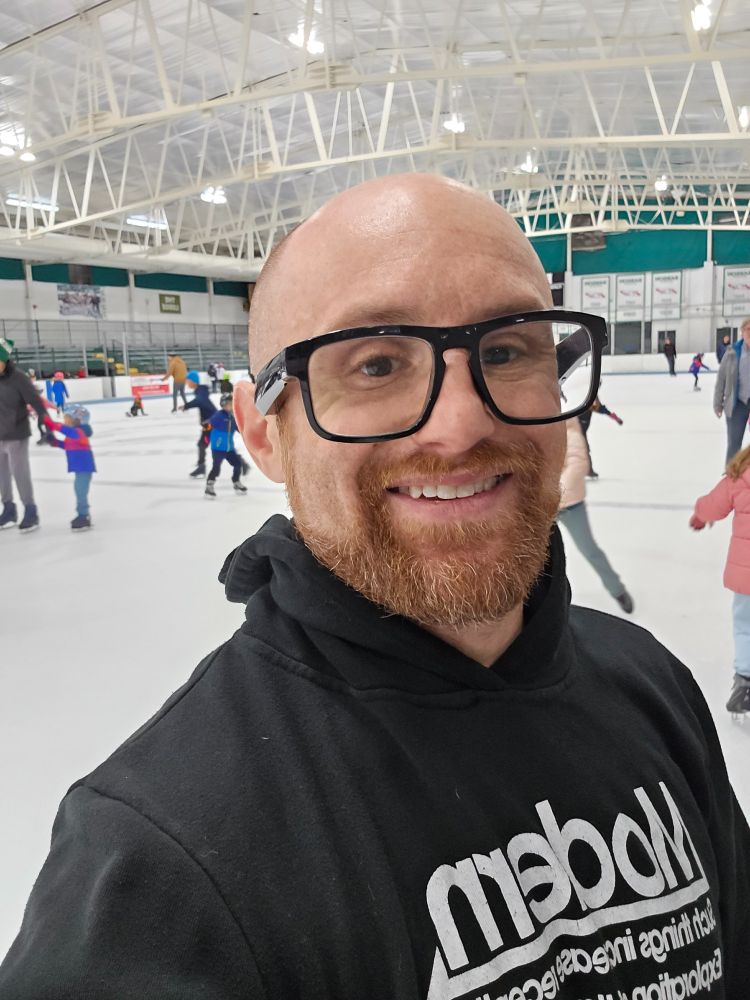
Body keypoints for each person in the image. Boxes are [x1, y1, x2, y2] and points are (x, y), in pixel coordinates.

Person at [2, 175, 750, 999]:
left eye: (505, 352)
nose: (461, 423)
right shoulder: (163, 862)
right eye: (376, 363)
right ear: (263, 433)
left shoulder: (652, 686)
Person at [690, 443, 750, 715]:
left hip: (746, 574)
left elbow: (713, 505)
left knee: (745, 626)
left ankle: (746, 681)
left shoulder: (741, 472)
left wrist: (701, 516)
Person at [558, 417, 633, 613]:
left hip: (570, 505)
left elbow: (578, 465)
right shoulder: (538, 430)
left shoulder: (570, 433)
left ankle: (617, 590)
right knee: (534, 553)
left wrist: (553, 495)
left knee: (589, 550)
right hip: (543, 505)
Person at [0, 336, 47, 532]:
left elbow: (35, 400)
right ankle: (9, 509)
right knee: (2, 475)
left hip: (16, 433)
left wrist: (44, 421)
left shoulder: (18, 378)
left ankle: (30, 510)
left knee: (20, 473)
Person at [44, 404, 96, 531]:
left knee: (80, 492)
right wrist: (54, 442)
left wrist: (50, 423)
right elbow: (67, 445)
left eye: (67, 418)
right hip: (80, 468)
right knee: (79, 491)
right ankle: (82, 514)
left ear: (76, 419)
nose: (64, 420)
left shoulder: (78, 432)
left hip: (84, 468)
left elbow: (65, 430)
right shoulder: (75, 434)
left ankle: (84, 516)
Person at [715, 318, 750, 463]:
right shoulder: (732, 353)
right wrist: (718, 403)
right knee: (734, 444)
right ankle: (730, 478)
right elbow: (721, 379)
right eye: (748, 329)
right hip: (737, 404)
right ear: (742, 332)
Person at [204, 394, 247, 498]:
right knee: (216, 468)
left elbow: (240, 429)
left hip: (229, 448)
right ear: (223, 405)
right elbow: (209, 423)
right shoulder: (219, 415)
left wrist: (247, 434)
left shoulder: (232, 417)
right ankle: (209, 486)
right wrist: (206, 429)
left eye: (232, 404)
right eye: (229, 404)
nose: (231, 406)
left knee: (237, 464)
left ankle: (236, 482)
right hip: (218, 448)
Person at [182, 370, 216, 478]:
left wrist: (186, 406)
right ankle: (242, 464)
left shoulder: (201, 391)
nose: (186, 383)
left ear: (193, 381)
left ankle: (201, 467)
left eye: (188, 381)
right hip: (210, 423)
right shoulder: (200, 390)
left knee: (204, 445)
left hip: (211, 424)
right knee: (206, 445)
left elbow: (200, 401)